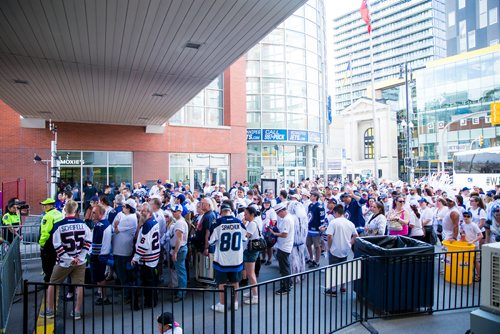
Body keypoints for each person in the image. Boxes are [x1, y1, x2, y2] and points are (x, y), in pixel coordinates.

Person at [40, 200, 91, 320]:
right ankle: (77, 311)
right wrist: (80, 257)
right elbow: (88, 242)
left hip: (63, 262)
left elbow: (57, 245)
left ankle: (50, 310)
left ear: (64, 210)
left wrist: (68, 259)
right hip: (80, 261)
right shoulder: (83, 224)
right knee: (79, 285)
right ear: (76, 210)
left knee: (53, 283)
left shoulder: (59, 225)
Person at [209, 203, 246, 312]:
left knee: (222, 282)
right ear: (231, 211)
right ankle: (235, 303)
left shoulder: (217, 223)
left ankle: (222, 304)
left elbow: (211, 241)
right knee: (235, 281)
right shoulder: (239, 222)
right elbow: (244, 238)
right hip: (236, 258)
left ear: (221, 212)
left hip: (222, 259)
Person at [131, 203, 161, 309]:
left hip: (148, 259)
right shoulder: (154, 222)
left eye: (144, 211)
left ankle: (150, 302)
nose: (141, 213)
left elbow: (144, 244)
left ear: (149, 212)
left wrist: (135, 258)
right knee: (152, 282)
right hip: (154, 257)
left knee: (147, 282)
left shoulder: (148, 224)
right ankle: (152, 302)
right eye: (141, 210)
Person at [325, 204, 358, 296]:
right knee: (343, 267)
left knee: (333, 268)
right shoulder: (350, 223)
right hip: (345, 249)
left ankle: (333, 289)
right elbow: (356, 236)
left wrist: (329, 247)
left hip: (335, 249)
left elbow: (329, 236)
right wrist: (350, 243)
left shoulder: (334, 222)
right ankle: (343, 287)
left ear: (336, 212)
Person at [112, 198, 138, 304]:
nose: (122, 208)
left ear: (128, 208)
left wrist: (116, 225)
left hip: (122, 251)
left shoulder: (130, 218)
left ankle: (128, 295)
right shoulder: (128, 217)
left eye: (124, 206)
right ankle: (127, 293)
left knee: (123, 274)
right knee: (122, 273)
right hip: (120, 250)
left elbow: (116, 229)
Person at [90, 204, 112, 305]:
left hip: (99, 255)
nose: (92, 214)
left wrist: (92, 255)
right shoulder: (106, 223)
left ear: (101, 213)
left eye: (94, 212)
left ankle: (104, 297)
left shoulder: (100, 226)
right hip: (103, 254)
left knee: (100, 277)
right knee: (100, 277)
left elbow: (96, 243)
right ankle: (102, 295)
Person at [270, 202, 294, 295]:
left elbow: (284, 234)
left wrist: (274, 234)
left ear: (281, 211)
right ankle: (289, 284)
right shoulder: (288, 218)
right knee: (285, 266)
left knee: (284, 268)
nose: (278, 215)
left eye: (278, 213)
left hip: (284, 246)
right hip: (285, 245)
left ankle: (285, 287)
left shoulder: (286, 220)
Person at [39, 198, 64, 283]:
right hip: (58, 242)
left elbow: (45, 232)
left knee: (47, 265)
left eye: (45, 205)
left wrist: (42, 244)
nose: (43, 207)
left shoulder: (47, 216)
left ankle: (48, 283)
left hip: (48, 244)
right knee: (55, 263)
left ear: (50, 205)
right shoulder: (59, 213)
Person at [242, 206, 260, 305]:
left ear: (252, 215)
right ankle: (252, 291)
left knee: (250, 273)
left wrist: (242, 226)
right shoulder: (252, 223)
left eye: (246, 214)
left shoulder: (252, 224)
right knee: (250, 273)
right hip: (251, 249)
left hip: (251, 250)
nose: (244, 216)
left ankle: (255, 296)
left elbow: (245, 236)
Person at [170, 204, 189, 302]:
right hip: (180, 248)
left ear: (180, 212)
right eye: (172, 211)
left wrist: (175, 252)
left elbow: (179, 239)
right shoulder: (179, 222)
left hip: (179, 249)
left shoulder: (180, 223)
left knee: (181, 272)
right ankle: (181, 291)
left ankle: (181, 293)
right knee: (180, 271)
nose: (173, 213)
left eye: (175, 211)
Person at [460, 211, 482, 282]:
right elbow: (462, 233)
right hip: (467, 246)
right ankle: (469, 274)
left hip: (474, 246)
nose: (466, 218)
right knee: (468, 261)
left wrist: (472, 241)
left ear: (471, 217)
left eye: (468, 216)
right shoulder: (463, 225)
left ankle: (478, 276)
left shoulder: (474, 225)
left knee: (476, 261)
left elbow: (481, 235)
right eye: (465, 216)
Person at [306, 191, 325, 268]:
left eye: (311, 195)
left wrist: (321, 227)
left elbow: (322, 218)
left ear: (315, 197)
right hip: (309, 228)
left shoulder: (320, 206)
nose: (310, 196)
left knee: (317, 246)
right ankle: (311, 258)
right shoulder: (310, 205)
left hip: (316, 229)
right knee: (308, 244)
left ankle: (317, 261)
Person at [261, 198, 277, 265]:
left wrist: (268, 224)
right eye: (265, 203)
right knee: (262, 246)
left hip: (269, 230)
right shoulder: (262, 210)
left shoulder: (272, 211)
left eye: (268, 203)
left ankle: (269, 260)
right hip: (262, 230)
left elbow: (274, 221)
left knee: (269, 246)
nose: (266, 204)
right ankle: (263, 258)